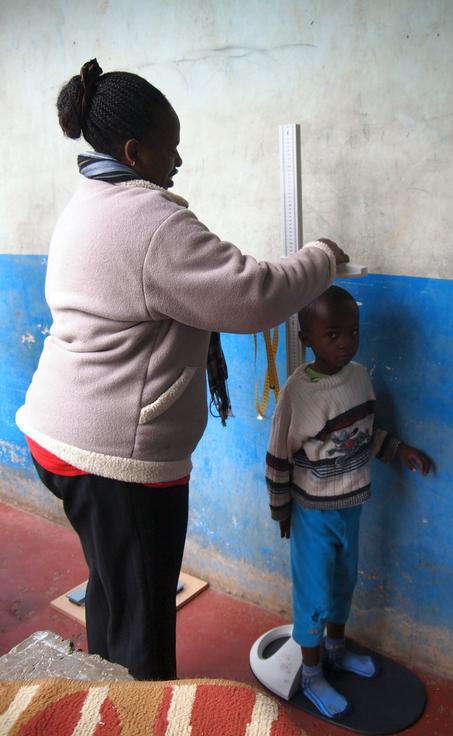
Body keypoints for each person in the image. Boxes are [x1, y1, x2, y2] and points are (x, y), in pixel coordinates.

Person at [16, 58, 349, 681]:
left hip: (62, 438)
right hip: (116, 461)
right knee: (143, 618)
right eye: (170, 148)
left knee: (115, 587)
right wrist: (321, 258)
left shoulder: (88, 204)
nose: (178, 162)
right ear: (135, 151)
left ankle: (104, 695)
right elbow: (252, 295)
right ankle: (139, 709)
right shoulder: (150, 222)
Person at [265, 285, 430, 719]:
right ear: (307, 340)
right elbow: (278, 456)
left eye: (352, 333)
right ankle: (313, 673)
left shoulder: (359, 376)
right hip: (313, 513)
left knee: (343, 583)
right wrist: (281, 509)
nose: (345, 343)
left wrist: (398, 450)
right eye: (332, 335)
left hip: (351, 505)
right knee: (315, 593)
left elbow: (361, 434)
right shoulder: (298, 393)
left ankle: (336, 651)